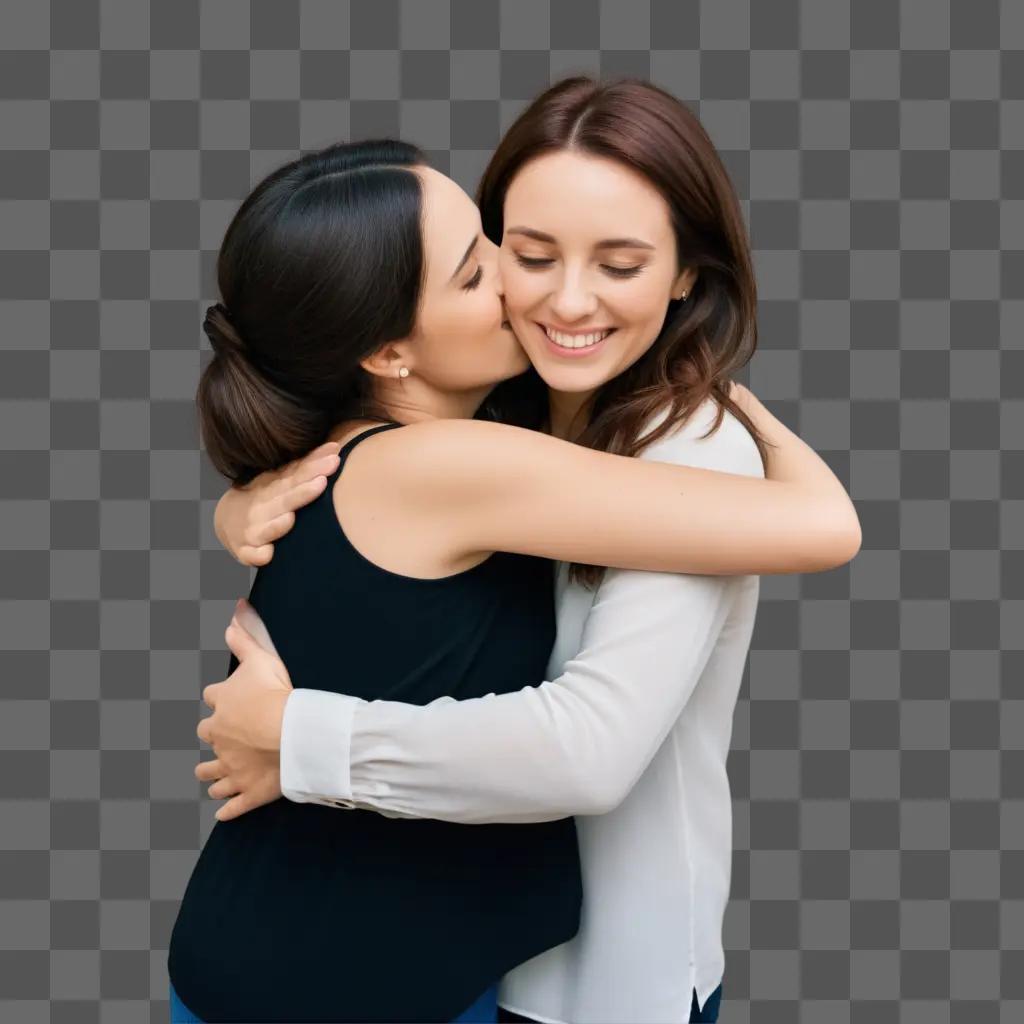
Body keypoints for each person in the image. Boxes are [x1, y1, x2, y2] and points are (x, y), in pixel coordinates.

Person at [192, 78, 860, 1023]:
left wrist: (299, 736)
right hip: (407, 964)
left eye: (621, 263)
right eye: (520, 255)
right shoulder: (499, 408)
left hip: (597, 988)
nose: (555, 297)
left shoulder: (684, 446)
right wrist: (241, 501)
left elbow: (589, 747)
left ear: (684, 275)